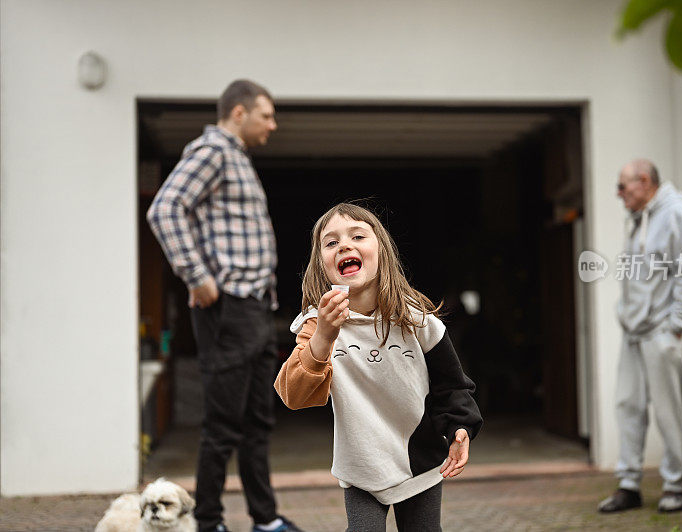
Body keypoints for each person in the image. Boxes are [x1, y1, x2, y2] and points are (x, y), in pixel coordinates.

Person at [147, 79, 302, 532]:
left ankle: (265, 520)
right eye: (266, 115)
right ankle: (210, 522)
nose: (272, 125)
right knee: (223, 425)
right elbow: (165, 208)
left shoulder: (237, 158)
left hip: (252, 309)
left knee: (258, 421)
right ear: (239, 113)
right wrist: (197, 277)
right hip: (228, 309)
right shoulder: (213, 151)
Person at [274, 203, 483, 531]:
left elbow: (452, 385)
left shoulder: (418, 321)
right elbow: (293, 395)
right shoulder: (316, 324)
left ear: (381, 252)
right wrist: (325, 336)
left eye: (357, 235)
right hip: (360, 464)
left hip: (420, 457)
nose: (344, 244)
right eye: (331, 243)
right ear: (321, 266)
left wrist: (460, 426)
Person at [598, 159, 682, 514]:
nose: (619, 194)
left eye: (623, 186)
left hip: (662, 331)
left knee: (668, 412)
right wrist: (625, 315)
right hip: (634, 332)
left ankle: (675, 485)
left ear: (644, 181)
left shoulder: (675, 212)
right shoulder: (639, 217)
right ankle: (629, 485)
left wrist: (677, 325)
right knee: (628, 406)